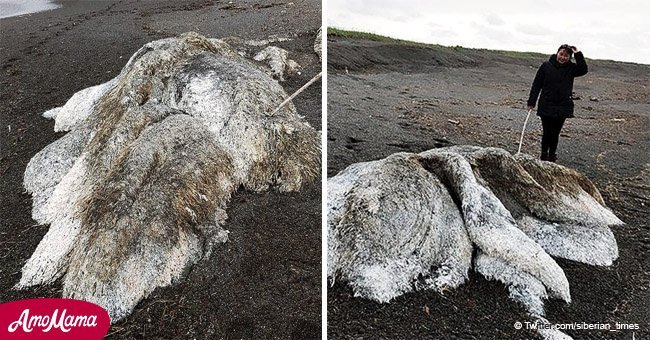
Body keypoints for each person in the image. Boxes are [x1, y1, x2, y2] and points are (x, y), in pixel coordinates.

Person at [527, 44, 588, 162]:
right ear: (557, 53)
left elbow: (584, 69)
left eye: (566, 55)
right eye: (561, 54)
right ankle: (544, 154)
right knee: (547, 132)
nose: (563, 57)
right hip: (547, 103)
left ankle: (552, 155)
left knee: (555, 133)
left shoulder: (571, 68)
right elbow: (537, 84)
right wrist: (531, 101)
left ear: (569, 57)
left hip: (563, 105)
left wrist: (578, 54)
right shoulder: (546, 66)